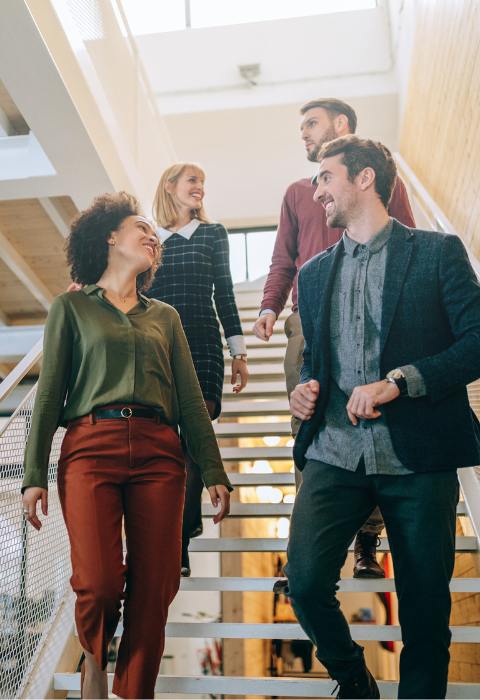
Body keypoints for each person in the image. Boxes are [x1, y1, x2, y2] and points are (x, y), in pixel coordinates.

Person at [285, 135, 480, 699]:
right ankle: (355, 682)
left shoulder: (438, 252)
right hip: (335, 453)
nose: (315, 187)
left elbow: (475, 341)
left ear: (364, 179)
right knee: (304, 581)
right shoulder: (314, 273)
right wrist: (304, 390)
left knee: (424, 609)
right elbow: (317, 364)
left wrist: (400, 382)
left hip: (419, 455)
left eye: (325, 176)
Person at [21, 192, 232, 700]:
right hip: (90, 449)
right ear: (110, 237)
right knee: (98, 584)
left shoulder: (166, 317)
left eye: (154, 234)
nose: (152, 236)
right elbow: (49, 395)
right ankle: (94, 660)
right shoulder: (71, 306)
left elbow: (190, 399)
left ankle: (134, 692)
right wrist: (32, 475)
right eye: (142, 227)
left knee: (155, 589)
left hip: (161, 454)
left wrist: (215, 468)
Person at [253, 98, 416, 581]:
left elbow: (408, 242)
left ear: (340, 124)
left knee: (374, 425)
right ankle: (303, 550)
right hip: (309, 325)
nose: (303, 133)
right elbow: (284, 258)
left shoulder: (383, 183)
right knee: (309, 430)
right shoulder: (297, 193)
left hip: (378, 322)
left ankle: (368, 542)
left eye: (311, 124)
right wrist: (269, 305)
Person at [149, 162, 248, 577]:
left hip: (204, 345)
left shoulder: (212, 233)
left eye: (203, 183)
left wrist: (238, 351)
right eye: (193, 181)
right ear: (170, 186)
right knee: (167, 447)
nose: (200, 188)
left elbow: (224, 292)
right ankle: (180, 530)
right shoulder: (150, 239)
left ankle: (178, 543)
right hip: (158, 348)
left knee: (191, 442)